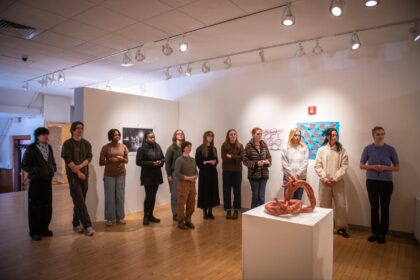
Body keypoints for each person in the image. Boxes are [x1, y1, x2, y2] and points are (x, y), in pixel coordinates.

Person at [360, 126, 399, 244]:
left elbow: (397, 167)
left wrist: (385, 168)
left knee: (385, 207)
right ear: (373, 136)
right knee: (374, 207)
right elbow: (361, 165)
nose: (380, 136)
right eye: (378, 134)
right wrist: (373, 166)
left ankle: (383, 234)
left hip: (386, 182)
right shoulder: (367, 149)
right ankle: (375, 232)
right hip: (371, 181)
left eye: (382, 134)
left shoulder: (391, 149)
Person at [22, 127, 57, 241]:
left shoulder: (49, 147)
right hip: (36, 182)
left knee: (47, 205)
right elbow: (24, 165)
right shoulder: (31, 148)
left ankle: (44, 229)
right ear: (38, 136)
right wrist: (36, 171)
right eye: (43, 134)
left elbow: (52, 161)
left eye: (47, 134)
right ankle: (34, 232)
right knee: (35, 207)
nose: (46, 136)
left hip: (47, 181)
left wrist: (53, 169)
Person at [61, 121, 95, 236]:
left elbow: (88, 158)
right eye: (77, 128)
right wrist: (78, 172)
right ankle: (88, 225)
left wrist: (80, 168)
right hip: (73, 177)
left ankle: (76, 223)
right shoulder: (67, 144)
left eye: (82, 128)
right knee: (79, 200)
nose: (80, 130)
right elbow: (68, 161)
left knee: (80, 201)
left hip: (84, 175)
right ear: (73, 130)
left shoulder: (86, 144)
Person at [314, 128, 349, 238]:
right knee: (324, 206)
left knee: (341, 205)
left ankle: (341, 228)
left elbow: (344, 166)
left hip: (337, 182)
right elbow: (318, 166)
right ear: (327, 136)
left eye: (336, 135)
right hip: (325, 183)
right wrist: (325, 178)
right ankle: (326, 227)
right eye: (333, 135)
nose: (335, 137)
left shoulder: (341, 150)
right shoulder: (321, 150)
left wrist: (335, 178)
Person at [99, 129, 128, 227]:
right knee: (109, 197)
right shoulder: (106, 147)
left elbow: (126, 160)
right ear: (111, 136)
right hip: (109, 175)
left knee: (120, 196)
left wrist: (121, 159)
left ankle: (120, 217)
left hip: (121, 174)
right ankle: (109, 218)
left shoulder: (123, 146)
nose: (117, 136)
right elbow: (101, 162)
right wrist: (110, 160)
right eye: (115, 135)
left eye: (118, 135)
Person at [136, 131, 165, 226]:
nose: (153, 139)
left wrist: (160, 162)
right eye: (150, 137)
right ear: (146, 138)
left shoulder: (158, 146)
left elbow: (162, 158)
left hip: (156, 175)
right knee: (148, 196)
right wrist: (152, 163)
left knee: (153, 197)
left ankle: (151, 215)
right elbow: (139, 162)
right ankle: (145, 216)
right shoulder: (142, 149)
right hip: (147, 176)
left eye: (153, 137)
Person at [243, 127, 272, 208]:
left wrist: (267, 162)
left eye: (261, 134)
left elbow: (269, 157)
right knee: (255, 196)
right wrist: (256, 163)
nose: (260, 135)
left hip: (264, 175)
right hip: (254, 175)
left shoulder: (264, 144)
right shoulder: (249, 146)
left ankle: (260, 216)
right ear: (253, 134)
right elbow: (245, 161)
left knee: (261, 197)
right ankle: (253, 216)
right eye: (258, 134)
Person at [196, 131, 220, 220]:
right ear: (205, 137)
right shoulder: (200, 149)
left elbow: (217, 160)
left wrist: (214, 162)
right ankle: (204, 212)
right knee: (204, 192)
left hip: (212, 173)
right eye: (209, 136)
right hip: (204, 173)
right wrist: (206, 162)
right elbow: (198, 162)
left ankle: (210, 212)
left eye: (212, 136)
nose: (210, 138)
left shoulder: (214, 148)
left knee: (212, 192)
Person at [174, 141, 198, 230]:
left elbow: (196, 171)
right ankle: (180, 222)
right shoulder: (179, 160)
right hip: (183, 183)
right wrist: (187, 178)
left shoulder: (192, 159)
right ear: (183, 148)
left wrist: (195, 176)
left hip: (192, 183)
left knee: (191, 202)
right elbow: (177, 174)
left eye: (190, 146)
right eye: (187, 147)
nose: (189, 148)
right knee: (181, 203)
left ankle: (188, 220)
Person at [221, 129, 244, 219]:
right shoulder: (224, 145)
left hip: (237, 171)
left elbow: (242, 158)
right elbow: (224, 158)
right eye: (231, 134)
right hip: (226, 171)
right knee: (226, 191)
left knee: (237, 191)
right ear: (228, 136)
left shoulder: (240, 145)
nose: (233, 136)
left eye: (234, 134)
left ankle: (236, 210)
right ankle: (228, 210)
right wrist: (236, 157)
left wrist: (231, 156)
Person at [281, 128, 309, 200]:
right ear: (291, 136)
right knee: (288, 200)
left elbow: (305, 162)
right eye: (295, 135)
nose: (297, 137)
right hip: (288, 178)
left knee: (298, 200)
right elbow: (284, 163)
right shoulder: (285, 147)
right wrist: (292, 175)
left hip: (301, 178)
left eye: (299, 135)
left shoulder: (304, 147)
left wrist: (298, 174)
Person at [165, 129, 185, 221]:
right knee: (174, 194)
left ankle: (181, 212)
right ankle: (175, 213)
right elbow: (167, 162)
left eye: (182, 134)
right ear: (175, 136)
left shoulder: (184, 147)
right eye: (178, 134)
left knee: (182, 194)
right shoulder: (171, 148)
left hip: (184, 174)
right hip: (174, 174)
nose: (180, 135)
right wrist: (169, 175)